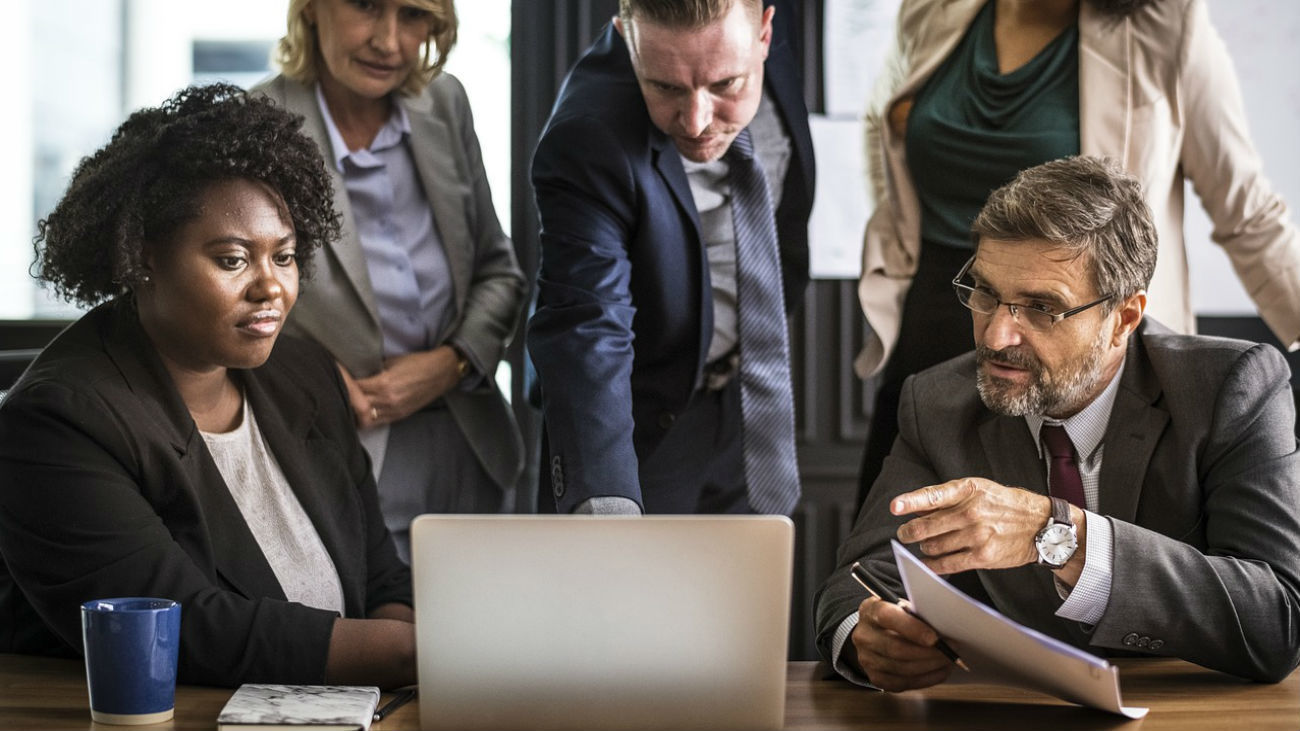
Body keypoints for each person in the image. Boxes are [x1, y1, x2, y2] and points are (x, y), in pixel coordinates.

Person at [816, 156, 1300, 688]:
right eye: (985, 294)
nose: (996, 337)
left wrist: (1061, 535)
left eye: (1042, 308)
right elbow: (859, 579)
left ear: (1124, 319)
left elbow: (1279, 620)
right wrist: (866, 638)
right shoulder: (935, 401)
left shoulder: (1229, 388)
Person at [0, 84, 415, 689]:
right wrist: (411, 655)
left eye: (285, 256)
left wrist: (398, 682)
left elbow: (380, 578)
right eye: (232, 260)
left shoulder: (307, 376)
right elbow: (186, 631)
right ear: (142, 258)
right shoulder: (58, 422)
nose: (270, 287)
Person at [856, 0, 1300, 505]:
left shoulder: (1167, 27)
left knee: (1073, 554)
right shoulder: (934, 9)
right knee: (895, 546)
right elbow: (883, 127)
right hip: (938, 316)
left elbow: (1250, 215)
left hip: (1079, 337)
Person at [255, 0, 527, 557]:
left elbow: (499, 271)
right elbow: (232, 302)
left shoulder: (445, 101)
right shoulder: (257, 123)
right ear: (310, 9)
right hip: (335, 447)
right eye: (367, 6)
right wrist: (321, 380)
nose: (390, 40)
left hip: (471, 443)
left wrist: (452, 363)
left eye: (413, 14)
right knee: (386, 638)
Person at [528, 0, 815, 515]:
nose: (697, 121)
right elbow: (586, 325)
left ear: (766, 34)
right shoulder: (588, 135)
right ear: (626, 38)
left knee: (752, 592)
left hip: (751, 402)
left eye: (726, 84)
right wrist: (605, 500)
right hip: (640, 425)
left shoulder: (769, 22)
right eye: (666, 87)